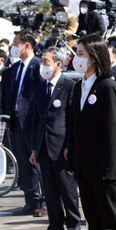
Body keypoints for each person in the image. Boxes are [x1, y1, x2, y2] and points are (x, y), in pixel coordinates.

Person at [67, 34, 116, 230]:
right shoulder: (78, 88)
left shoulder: (108, 86)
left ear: (94, 56)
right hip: (84, 167)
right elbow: (74, 127)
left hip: (104, 170)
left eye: (81, 53)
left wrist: (108, 169)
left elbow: (113, 130)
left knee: (112, 221)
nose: (77, 57)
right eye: (76, 52)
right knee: (93, 220)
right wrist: (73, 163)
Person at [29, 47, 80, 229]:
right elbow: (36, 121)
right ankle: (55, 224)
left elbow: (73, 121)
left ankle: (74, 224)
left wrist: (70, 146)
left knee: (68, 191)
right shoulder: (40, 88)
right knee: (50, 192)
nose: (42, 66)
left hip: (62, 148)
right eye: (41, 61)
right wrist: (34, 148)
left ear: (58, 64)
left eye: (46, 62)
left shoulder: (70, 86)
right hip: (43, 148)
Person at [2, 30, 45, 216]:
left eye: (16, 43)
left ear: (27, 45)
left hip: (34, 123)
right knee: (24, 164)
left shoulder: (39, 67)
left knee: (39, 164)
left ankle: (44, 203)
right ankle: (31, 201)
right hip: (16, 123)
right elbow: (7, 97)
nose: (13, 47)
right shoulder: (13, 69)